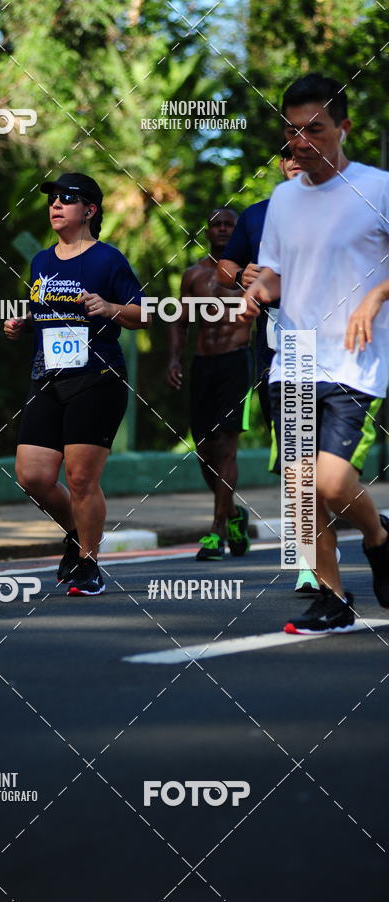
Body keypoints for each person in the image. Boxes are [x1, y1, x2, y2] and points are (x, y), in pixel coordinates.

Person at [239, 73, 389, 633]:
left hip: (355, 358)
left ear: (343, 127)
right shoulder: (283, 198)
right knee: (301, 489)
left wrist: (374, 296)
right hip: (295, 356)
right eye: (291, 131)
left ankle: (378, 536)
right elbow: (275, 272)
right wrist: (256, 294)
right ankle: (332, 598)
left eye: (314, 129)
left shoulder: (378, 188)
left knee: (330, 482)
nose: (301, 142)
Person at [4, 172, 149, 596]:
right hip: (47, 376)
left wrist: (110, 306)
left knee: (81, 478)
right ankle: (76, 532)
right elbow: (48, 312)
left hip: (97, 378)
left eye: (67, 198)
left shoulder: (108, 259)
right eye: (52, 198)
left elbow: (144, 315)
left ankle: (89, 563)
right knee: (32, 475)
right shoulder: (41, 261)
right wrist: (23, 323)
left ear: (89, 210)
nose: (56, 204)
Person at [216, 148, 320, 595]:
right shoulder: (259, 214)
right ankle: (309, 560)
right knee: (297, 456)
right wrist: (241, 274)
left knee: (330, 464)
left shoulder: (345, 207)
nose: (295, 158)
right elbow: (225, 267)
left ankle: (368, 531)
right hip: (283, 347)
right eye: (287, 153)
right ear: (281, 163)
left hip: (340, 346)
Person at [167, 208, 253, 561]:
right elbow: (180, 321)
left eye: (229, 225)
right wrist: (174, 359)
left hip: (236, 362)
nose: (222, 229)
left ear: (238, 231)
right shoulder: (194, 275)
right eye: (216, 224)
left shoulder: (252, 274)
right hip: (203, 364)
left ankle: (217, 531)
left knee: (226, 446)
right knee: (203, 449)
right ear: (206, 232)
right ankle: (233, 514)